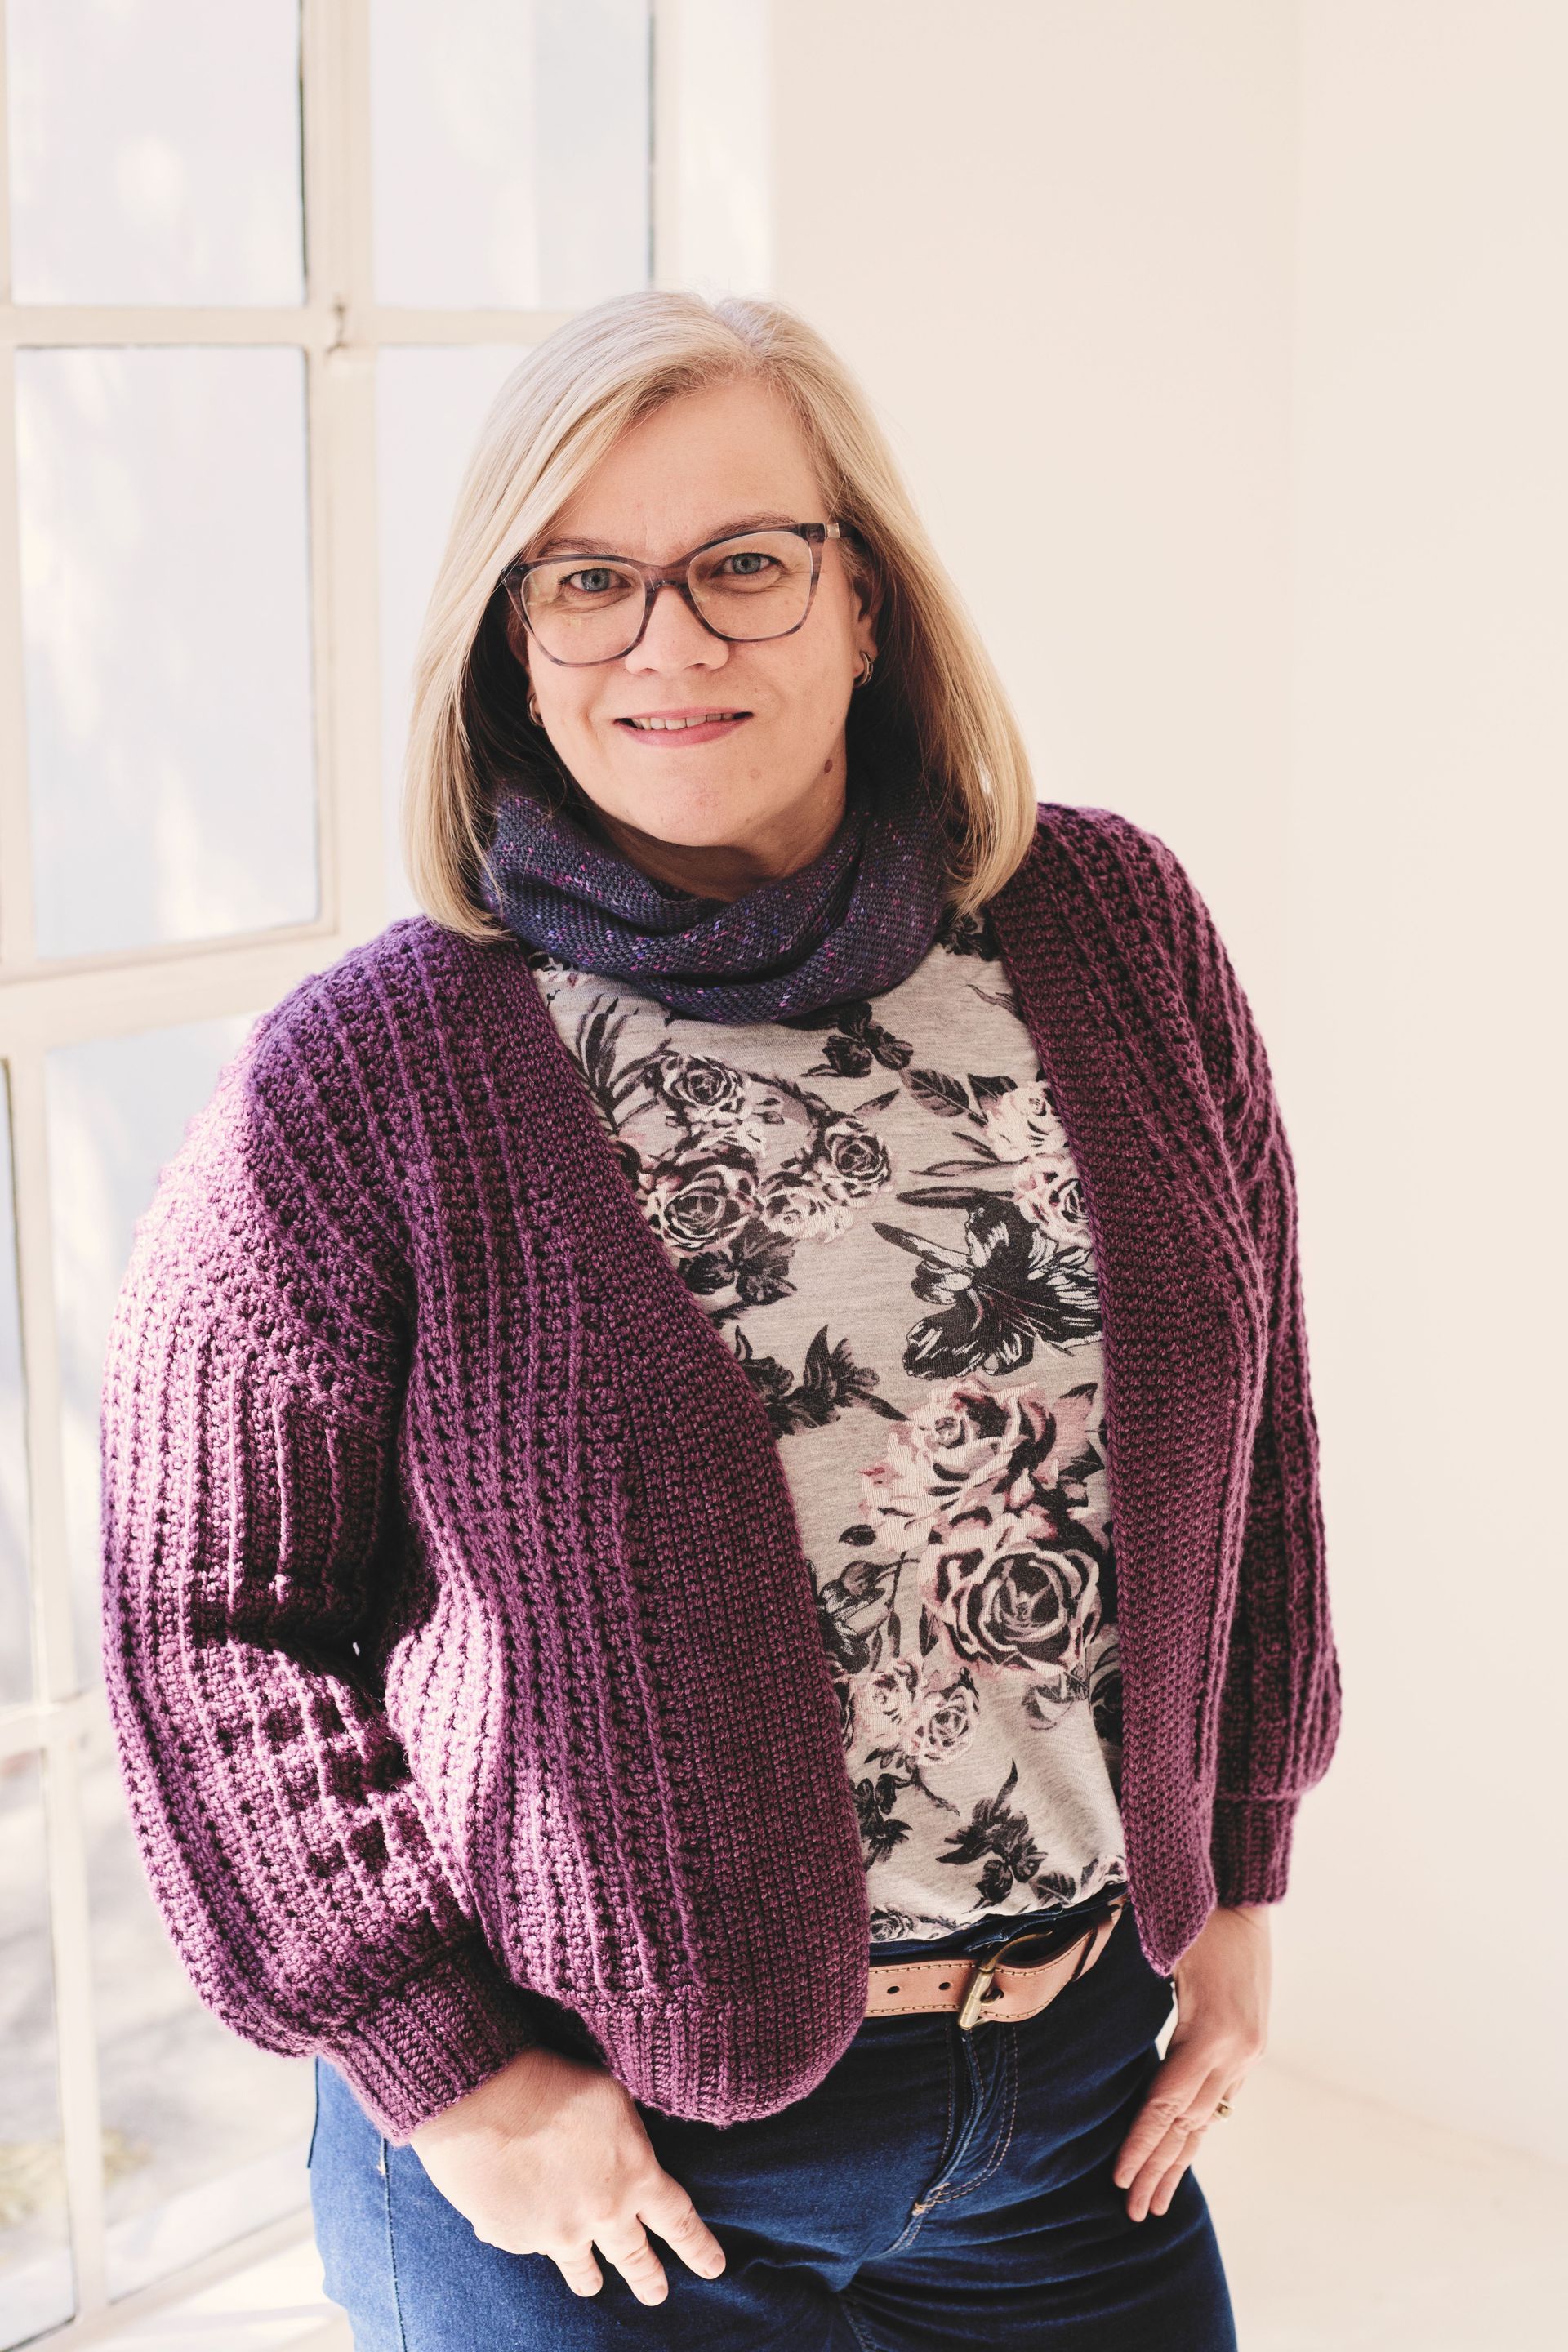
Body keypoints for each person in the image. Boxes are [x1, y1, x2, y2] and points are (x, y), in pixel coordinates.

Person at [100, 289, 1342, 2350]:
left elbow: (1261, 1413)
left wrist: (1242, 1865)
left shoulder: (1111, 932)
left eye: (746, 564)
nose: (668, 643)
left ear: (870, 605)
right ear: (515, 640)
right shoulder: (375, 1074)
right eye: (587, 580)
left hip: (1075, 2103)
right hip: (618, 2165)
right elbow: (202, 1619)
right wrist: (458, 2078)